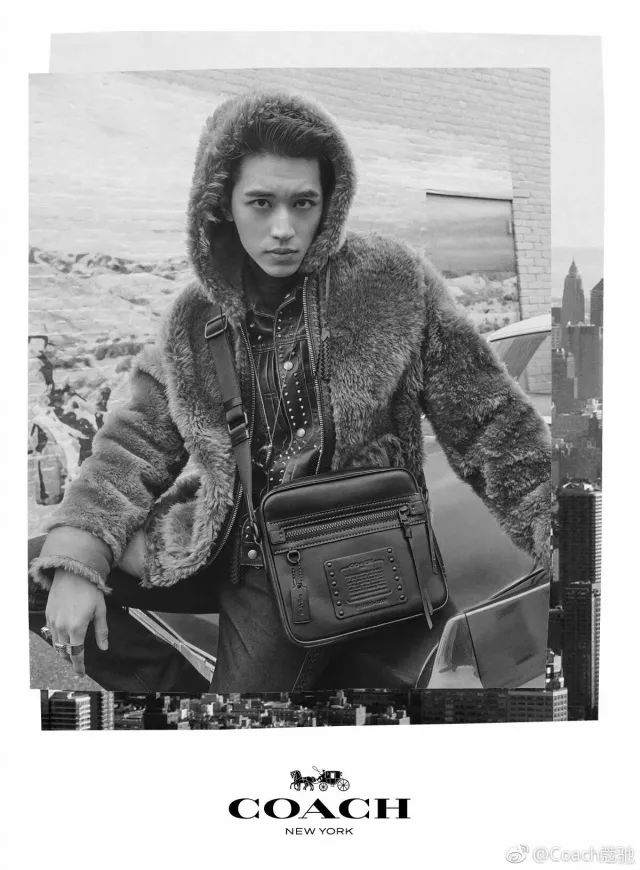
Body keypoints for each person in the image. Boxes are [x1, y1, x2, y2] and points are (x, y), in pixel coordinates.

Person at [28, 89, 551, 693]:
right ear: (223, 204)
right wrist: (80, 557)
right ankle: (179, 700)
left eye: (303, 203)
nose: (284, 229)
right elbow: (132, 446)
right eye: (261, 203)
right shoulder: (194, 318)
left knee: (242, 727)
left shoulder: (393, 284)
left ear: (329, 202)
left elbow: (490, 422)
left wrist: (569, 538)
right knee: (35, 570)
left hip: (330, 559)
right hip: (217, 542)